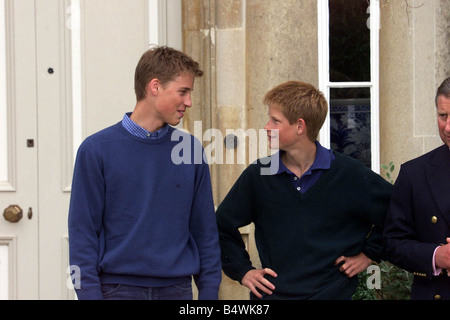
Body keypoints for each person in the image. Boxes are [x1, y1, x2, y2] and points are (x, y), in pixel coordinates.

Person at [68, 46, 221, 300]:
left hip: (177, 290)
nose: (189, 102)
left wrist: (208, 295)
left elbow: (204, 230)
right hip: (117, 291)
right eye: (183, 92)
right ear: (155, 87)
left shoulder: (190, 150)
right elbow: (82, 234)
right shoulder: (96, 150)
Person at [216, 80, 393, 300]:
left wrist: (369, 254)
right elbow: (220, 226)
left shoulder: (350, 174)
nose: (266, 127)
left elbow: (398, 212)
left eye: (275, 121)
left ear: (300, 126)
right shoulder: (258, 175)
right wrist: (243, 271)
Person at [383, 77, 450, 300]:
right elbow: (393, 243)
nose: (448, 126)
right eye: (443, 116)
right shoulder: (414, 173)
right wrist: (436, 256)